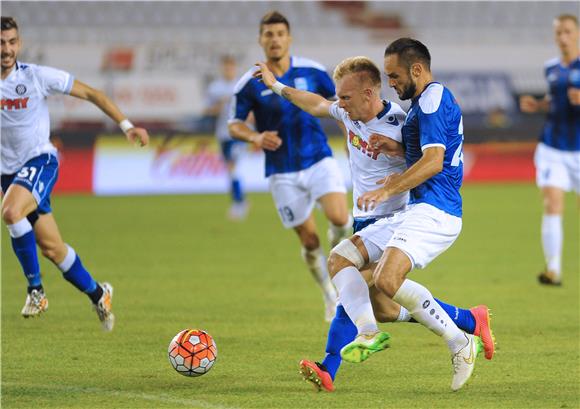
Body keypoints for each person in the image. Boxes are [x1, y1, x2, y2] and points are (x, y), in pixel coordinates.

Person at [255, 55, 494, 392]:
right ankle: (468, 319)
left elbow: (425, 162)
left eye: (346, 97)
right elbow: (315, 104)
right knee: (382, 305)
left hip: (395, 217)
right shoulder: (347, 113)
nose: (340, 103)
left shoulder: (400, 121)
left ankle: (330, 367)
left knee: (350, 288)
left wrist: (396, 152)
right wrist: (276, 85)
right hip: (365, 219)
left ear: (369, 94)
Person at [1, 17, 150, 331]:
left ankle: (36, 290)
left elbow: (94, 94)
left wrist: (126, 125)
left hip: (40, 161)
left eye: (12, 42)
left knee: (11, 212)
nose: (6, 49)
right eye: (1, 43)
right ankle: (99, 293)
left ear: (20, 43)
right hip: (10, 175)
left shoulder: (36, 77)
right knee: (52, 248)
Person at [228, 11, 352, 321]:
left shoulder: (312, 71)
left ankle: (341, 270)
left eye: (280, 33)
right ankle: (328, 293)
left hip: (318, 158)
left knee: (340, 219)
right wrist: (255, 137)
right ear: (260, 40)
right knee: (309, 240)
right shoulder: (248, 83)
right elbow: (233, 125)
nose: (274, 39)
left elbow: (340, 107)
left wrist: (353, 144)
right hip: (282, 170)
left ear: (289, 38)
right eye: (268, 34)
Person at [519, 14, 580, 286]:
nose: (562, 37)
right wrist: (539, 104)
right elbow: (555, 100)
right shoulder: (551, 68)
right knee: (552, 203)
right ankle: (553, 269)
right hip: (552, 146)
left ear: (577, 33)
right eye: (558, 32)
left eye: (567, 31)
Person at [204, 55, 249, 221]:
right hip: (223, 134)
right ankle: (239, 200)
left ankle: (239, 203)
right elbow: (207, 111)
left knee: (233, 168)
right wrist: (220, 105)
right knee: (230, 172)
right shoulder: (215, 88)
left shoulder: (242, 86)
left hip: (239, 133)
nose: (228, 70)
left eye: (231, 67)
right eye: (226, 67)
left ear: (235, 68)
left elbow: (252, 110)